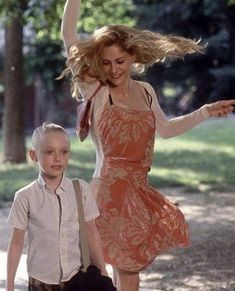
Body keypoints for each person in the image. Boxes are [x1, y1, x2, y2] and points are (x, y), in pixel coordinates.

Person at [60, 1, 235, 290]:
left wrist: (203, 112)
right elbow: (69, 35)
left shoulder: (145, 91)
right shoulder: (97, 89)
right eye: (106, 62)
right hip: (107, 192)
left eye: (120, 61)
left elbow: (165, 130)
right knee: (127, 271)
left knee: (124, 270)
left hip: (138, 190)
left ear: (133, 57)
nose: (114, 69)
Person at [6, 122, 112, 291]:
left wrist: (103, 271)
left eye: (64, 152)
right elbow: (16, 243)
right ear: (33, 155)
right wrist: (10, 286)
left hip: (77, 279)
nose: (58, 158)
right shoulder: (25, 197)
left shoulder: (81, 189)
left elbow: (91, 232)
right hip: (41, 282)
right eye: (49, 152)